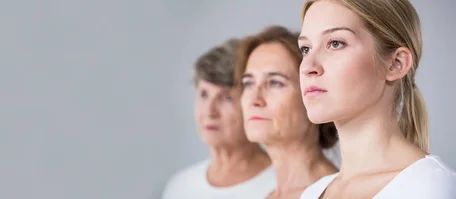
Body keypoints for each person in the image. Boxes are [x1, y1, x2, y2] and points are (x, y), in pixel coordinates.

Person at [297, 0, 456, 198]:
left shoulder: (430, 187)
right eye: (305, 48)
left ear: (396, 64)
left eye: (335, 43)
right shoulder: (312, 193)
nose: (307, 67)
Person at [162, 39, 275, 199]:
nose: (209, 111)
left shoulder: (284, 186)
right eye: (204, 94)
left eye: (227, 98)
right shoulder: (179, 187)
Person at [236, 25, 339, 199]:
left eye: (275, 83)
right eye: (249, 83)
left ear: (313, 94)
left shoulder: (340, 194)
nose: (255, 99)